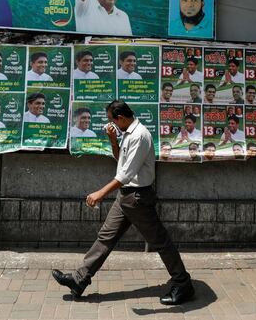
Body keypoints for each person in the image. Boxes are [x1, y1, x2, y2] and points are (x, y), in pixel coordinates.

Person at [51, 101, 194, 305]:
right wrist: (113, 140)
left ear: (121, 118)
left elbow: (126, 174)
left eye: (112, 121)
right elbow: (122, 163)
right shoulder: (127, 133)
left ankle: (183, 284)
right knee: (105, 237)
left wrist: (101, 193)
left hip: (137, 198)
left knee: (160, 242)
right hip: (125, 196)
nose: (112, 124)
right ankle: (79, 279)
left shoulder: (139, 136)